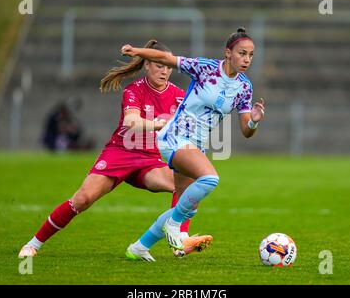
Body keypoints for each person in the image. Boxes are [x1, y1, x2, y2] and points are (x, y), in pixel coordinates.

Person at [19, 40, 213, 261]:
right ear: (147, 65)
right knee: (82, 199)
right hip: (120, 153)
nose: (165, 70)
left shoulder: (179, 96)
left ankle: (176, 240)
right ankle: (33, 244)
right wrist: (158, 124)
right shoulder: (135, 90)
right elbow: (132, 122)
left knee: (187, 186)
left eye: (168, 66)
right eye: (159, 65)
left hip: (149, 160)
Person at [121, 28, 266, 259]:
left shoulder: (244, 88)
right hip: (175, 136)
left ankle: (139, 247)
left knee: (186, 204)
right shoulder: (205, 68)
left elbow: (246, 130)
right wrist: (136, 51)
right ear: (228, 53)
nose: (246, 59)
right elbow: (166, 58)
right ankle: (174, 227)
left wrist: (255, 122)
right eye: (242, 53)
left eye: (250, 55)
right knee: (210, 179)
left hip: (196, 145)